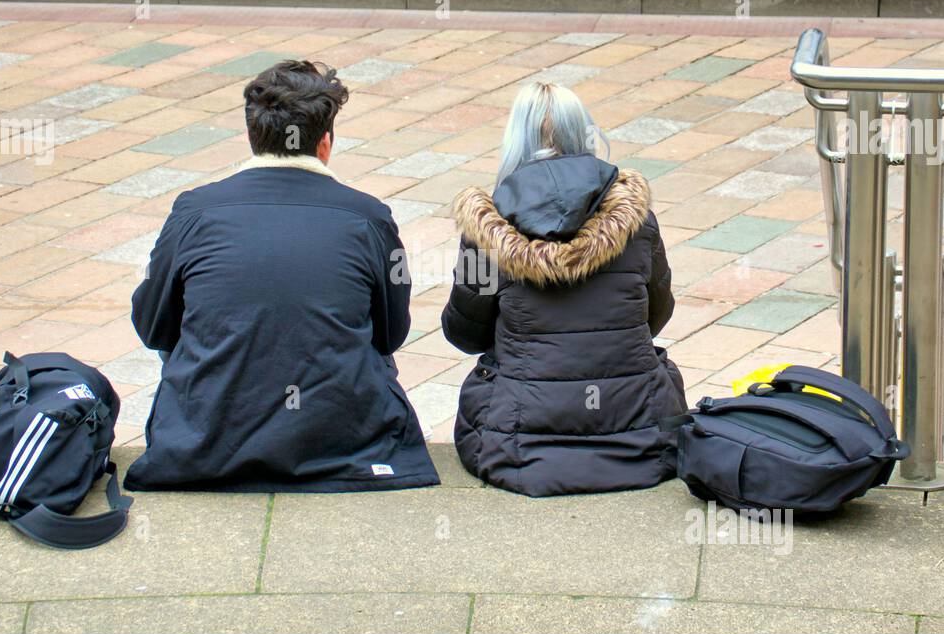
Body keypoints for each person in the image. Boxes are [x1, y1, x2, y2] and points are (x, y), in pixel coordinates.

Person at [125, 60, 439, 493]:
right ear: (324, 143)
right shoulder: (369, 217)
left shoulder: (194, 211)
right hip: (344, 440)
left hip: (204, 441)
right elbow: (390, 334)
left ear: (253, 137)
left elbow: (152, 327)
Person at [441, 81, 687, 497]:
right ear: (585, 133)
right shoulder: (636, 220)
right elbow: (655, 318)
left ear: (514, 140)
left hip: (514, 448)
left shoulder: (487, 230)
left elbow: (465, 335)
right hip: (644, 442)